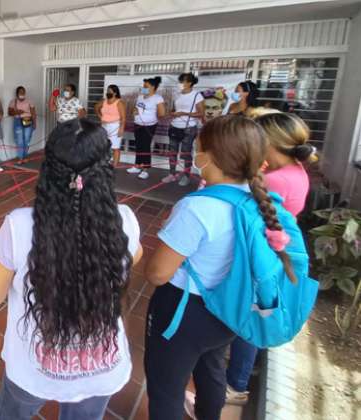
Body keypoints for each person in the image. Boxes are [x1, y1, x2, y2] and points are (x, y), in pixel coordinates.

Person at [0, 119, 143, 420]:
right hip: (102, 367)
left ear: (48, 168)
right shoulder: (125, 219)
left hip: (34, 368)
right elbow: (134, 256)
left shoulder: (20, 225)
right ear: (106, 168)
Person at [144, 115, 292, 420]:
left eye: (198, 149)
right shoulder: (259, 200)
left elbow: (157, 273)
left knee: (166, 388)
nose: (194, 156)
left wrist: (173, 238)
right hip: (230, 308)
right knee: (211, 369)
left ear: (211, 157)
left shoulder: (197, 207)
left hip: (186, 311)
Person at [219, 112, 316, 406]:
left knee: (252, 320)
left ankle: (235, 384)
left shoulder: (272, 180)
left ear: (268, 143)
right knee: (255, 315)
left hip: (262, 259)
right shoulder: (296, 170)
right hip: (271, 255)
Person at [163, 73, 205, 187]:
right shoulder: (177, 95)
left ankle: (186, 176)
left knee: (186, 153)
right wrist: (172, 113)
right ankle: (172, 174)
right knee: (172, 152)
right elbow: (173, 109)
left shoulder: (197, 96)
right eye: (180, 81)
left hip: (188, 128)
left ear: (190, 83)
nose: (180, 84)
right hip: (174, 126)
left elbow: (201, 113)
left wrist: (184, 113)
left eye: (182, 81)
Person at [128, 77, 165, 180]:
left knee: (145, 147)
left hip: (149, 126)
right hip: (137, 124)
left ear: (153, 87)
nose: (143, 88)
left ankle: (145, 170)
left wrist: (150, 118)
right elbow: (136, 108)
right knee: (138, 145)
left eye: (146, 86)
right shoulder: (140, 97)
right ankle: (137, 166)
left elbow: (162, 113)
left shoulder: (158, 98)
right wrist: (134, 111)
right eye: (143, 86)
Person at [94, 84, 126, 167]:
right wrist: (100, 116)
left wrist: (121, 129)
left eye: (109, 91)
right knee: (104, 146)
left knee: (115, 147)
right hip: (104, 125)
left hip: (115, 126)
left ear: (115, 93)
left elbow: (123, 117)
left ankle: (114, 165)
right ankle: (105, 162)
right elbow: (96, 107)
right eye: (107, 91)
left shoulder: (119, 103)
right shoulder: (104, 101)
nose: (107, 93)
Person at [8, 86, 37, 164]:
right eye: (20, 92)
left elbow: (33, 113)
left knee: (27, 140)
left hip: (28, 121)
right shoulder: (13, 102)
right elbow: (9, 113)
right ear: (17, 93)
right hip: (18, 121)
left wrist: (34, 123)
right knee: (20, 141)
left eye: (23, 92)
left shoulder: (29, 101)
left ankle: (25, 156)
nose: (22, 93)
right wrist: (17, 112)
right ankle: (20, 158)